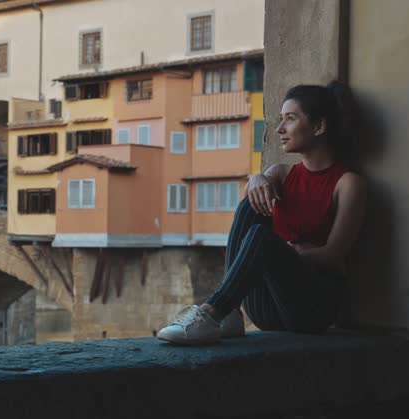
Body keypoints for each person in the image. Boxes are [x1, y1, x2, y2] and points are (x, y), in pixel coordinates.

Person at [157, 81, 367, 345]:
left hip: (313, 308)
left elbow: (334, 255)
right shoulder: (281, 174)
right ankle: (230, 313)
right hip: (269, 308)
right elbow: (260, 188)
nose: (280, 129)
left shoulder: (348, 183)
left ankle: (211, 313)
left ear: (319, 126)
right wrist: (256, 178)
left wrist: (289, 253)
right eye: (281, 119)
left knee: (262, 237)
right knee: (249, 208)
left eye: (290, 119)